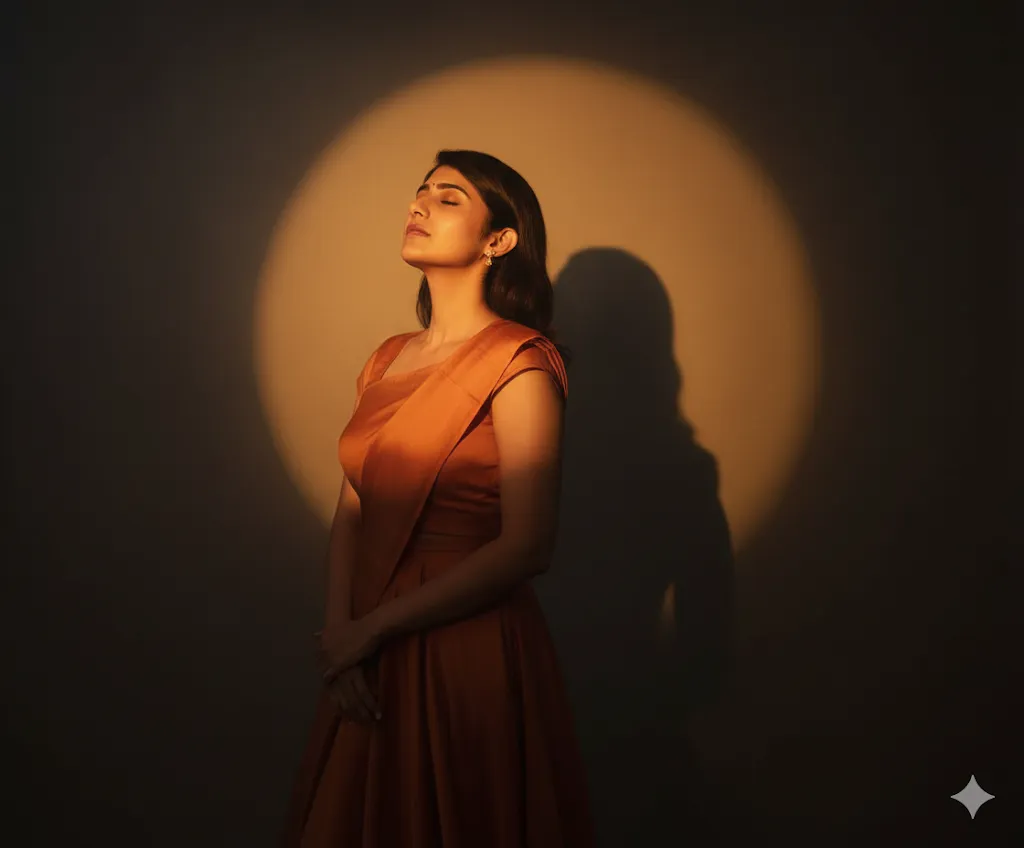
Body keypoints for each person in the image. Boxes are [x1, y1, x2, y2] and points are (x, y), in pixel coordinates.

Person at [282, 150, 594, 847]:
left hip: (465, 650)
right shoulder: (386, 359)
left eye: (448, 197)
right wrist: (341, 636)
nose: (419, 204)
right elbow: (352, 512)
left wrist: (371, 630)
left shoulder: (521, 361)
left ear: (498, 241)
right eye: (419, 191)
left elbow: (529, 544)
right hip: (366, 648)